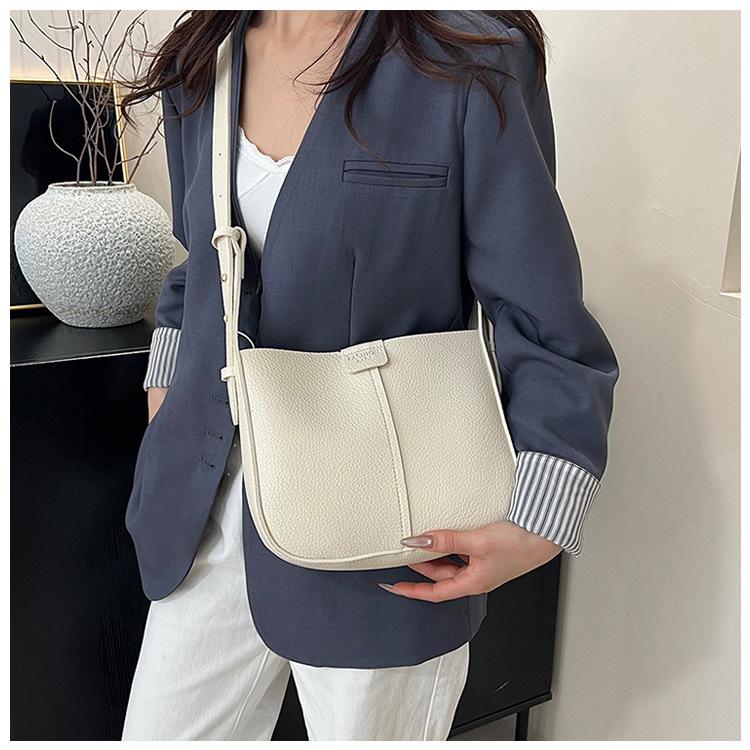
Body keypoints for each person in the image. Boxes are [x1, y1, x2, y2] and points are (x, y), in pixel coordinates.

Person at [120, 10, 619, 741]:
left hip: (385, 528)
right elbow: (200, 264)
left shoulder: (465, 59)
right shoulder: (202, 58)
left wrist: (540, 521)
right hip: (205, 514)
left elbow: (542, 314)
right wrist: (166, 399)